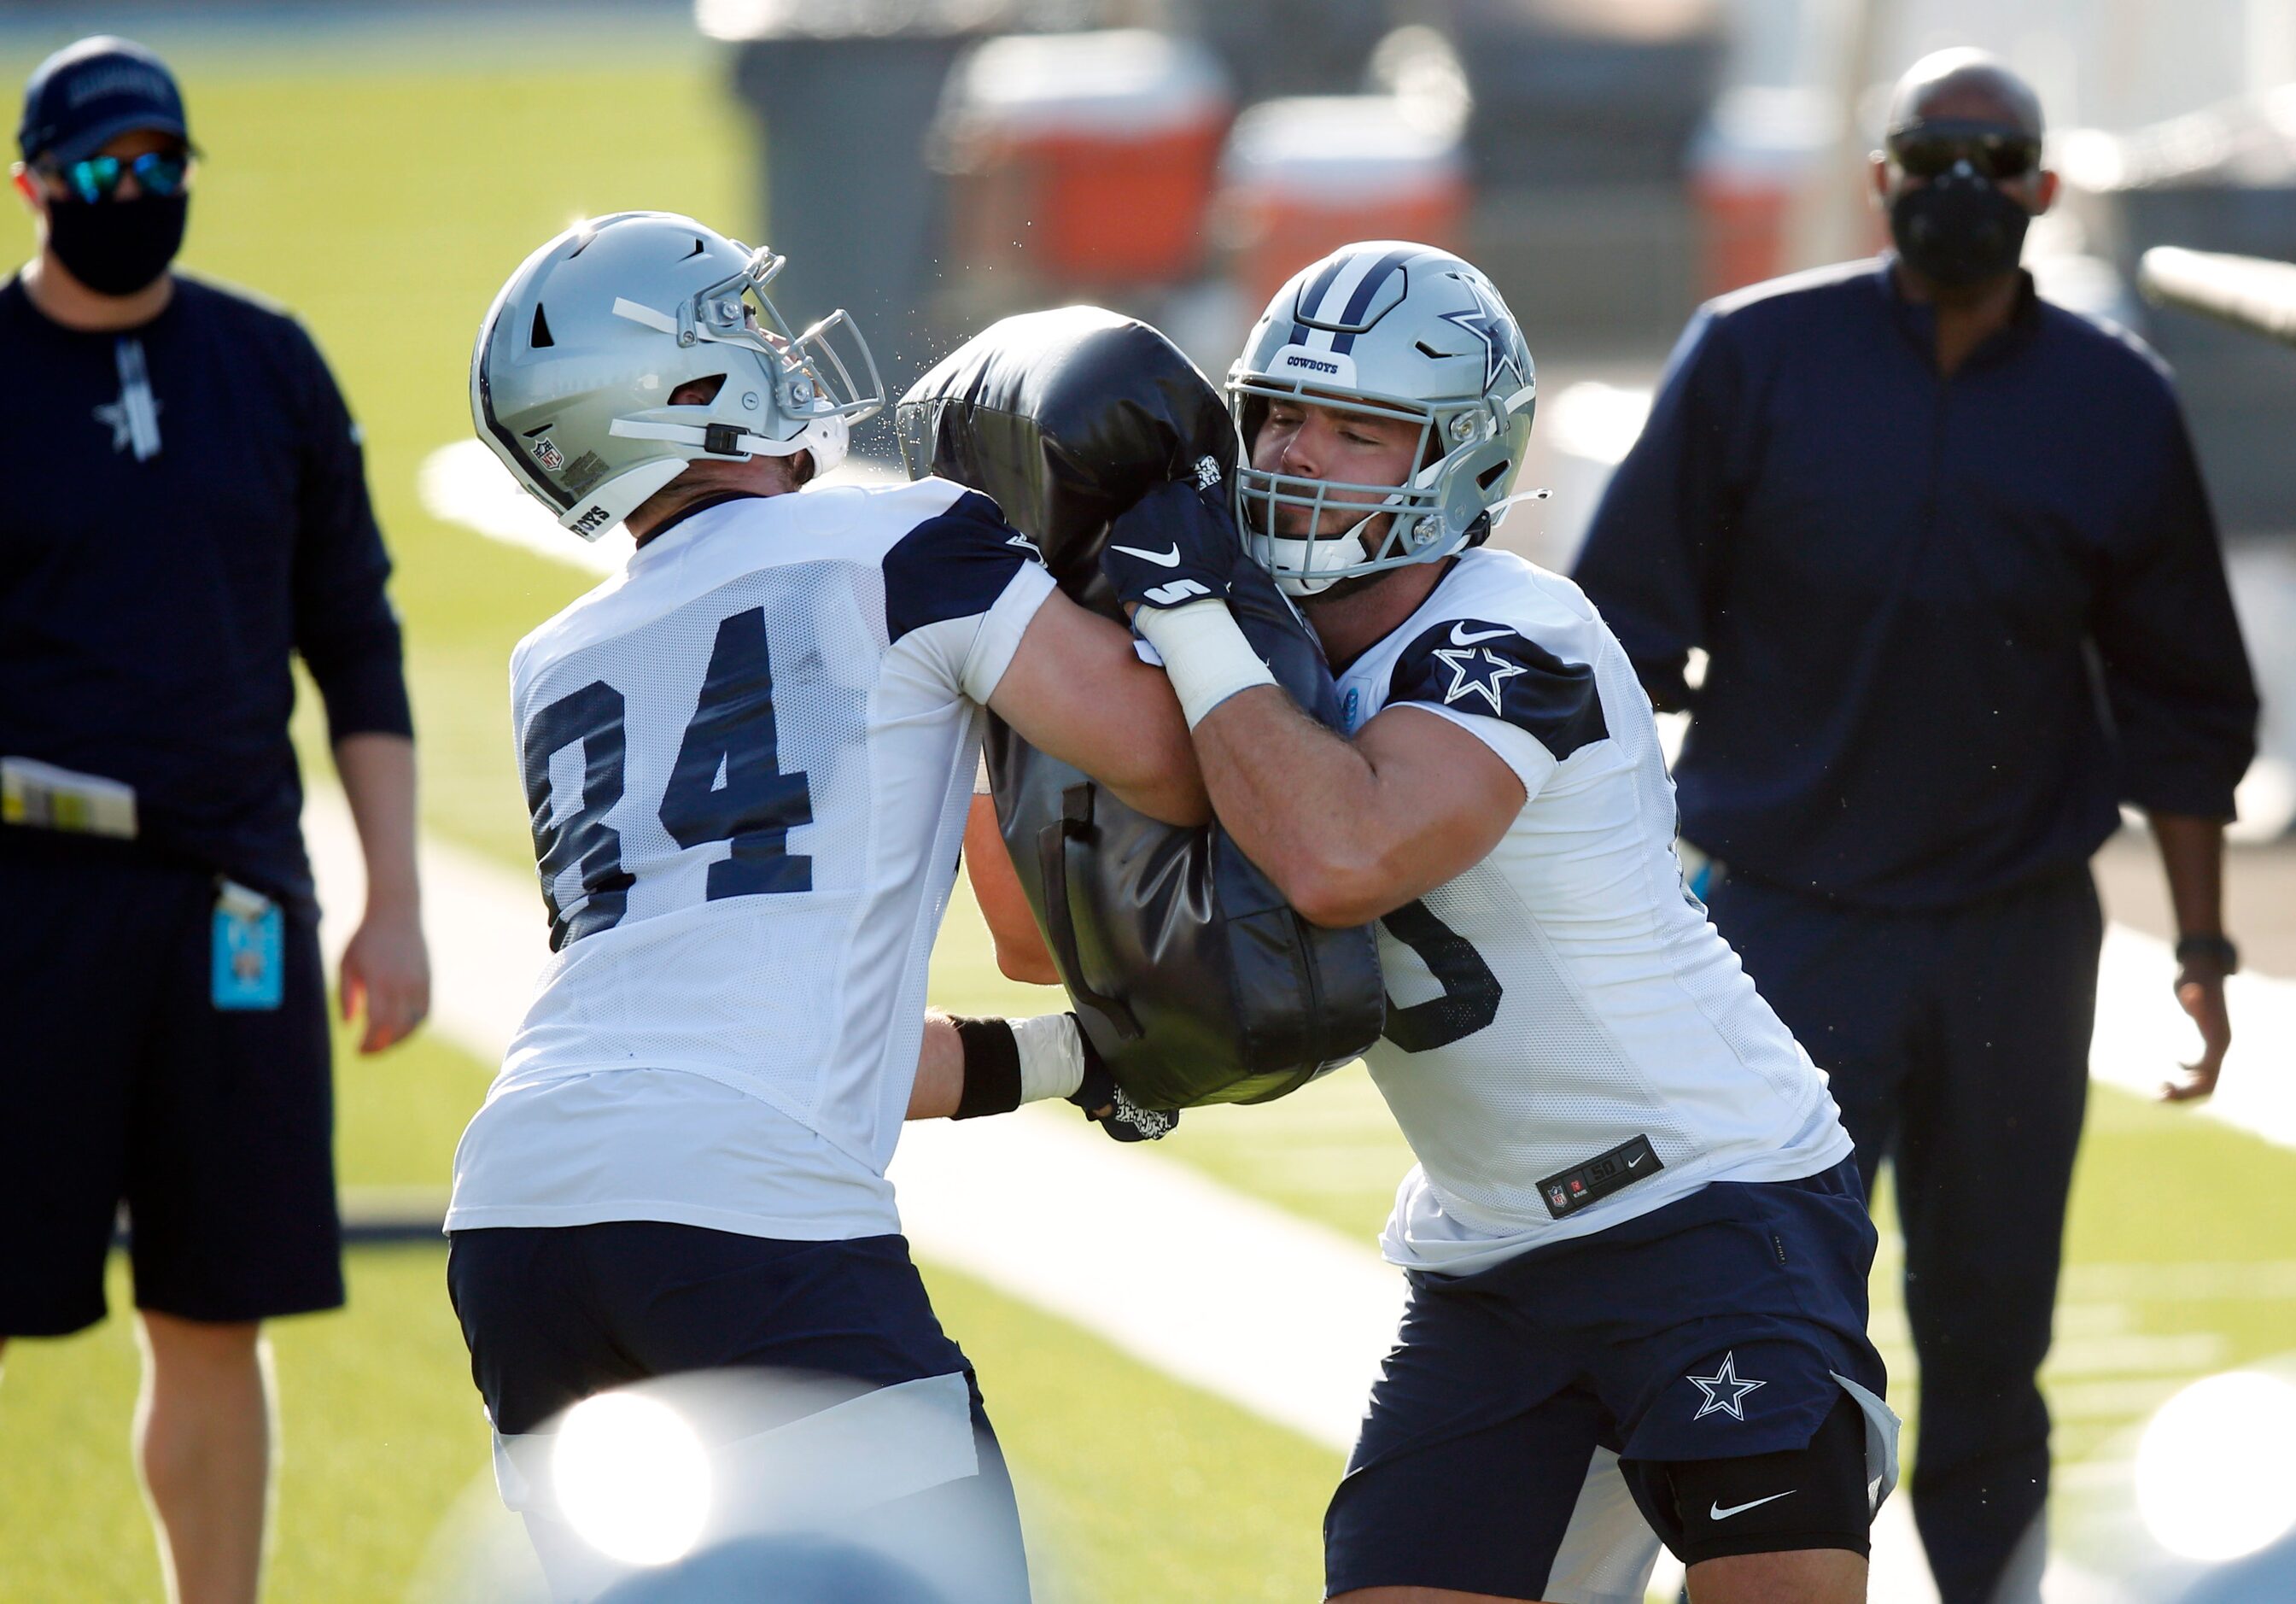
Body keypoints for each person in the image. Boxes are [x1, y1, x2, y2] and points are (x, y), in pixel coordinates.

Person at [1066, 238, 1896, 1604]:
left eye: (1355, 429)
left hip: (1706, 1196)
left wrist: (1185, 618)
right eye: (1274, 411)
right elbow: (1059, 930)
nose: (1294, 451)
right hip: (1492, 1247)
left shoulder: (1513, 625)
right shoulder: (1248, 651)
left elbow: (1347, 860)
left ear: (1456, 457)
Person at [1570, 50, 2259, 1603]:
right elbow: (1611, 648)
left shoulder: (2111, 400)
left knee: (1992, 1336)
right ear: (1879, 177)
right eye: (1930, 154)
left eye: (1992, 156)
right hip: (1779, 930)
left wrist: (2205, 948)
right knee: (1763, 1320)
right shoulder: (1752, 356)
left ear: (2043, 186)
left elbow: (2184, 701)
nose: (1960, 183)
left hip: (2017, 936)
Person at [447, 211, 1206, 1600]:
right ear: (675, 393)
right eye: (733, 328)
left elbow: (764, 1019)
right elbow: (1161, 755)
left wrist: (1073, 1059)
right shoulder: (906, 541)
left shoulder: (555, 658)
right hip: (743, 1209)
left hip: (516, 1216)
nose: (777, 349)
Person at [0, 36, 427, 1604]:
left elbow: (355, 640)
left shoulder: (269, 367)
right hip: (27, 901)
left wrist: (392, 897)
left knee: (212, 1304)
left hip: (233, 895)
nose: (138, 194)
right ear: (35, 182)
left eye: (164, 168)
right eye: (108, 171)